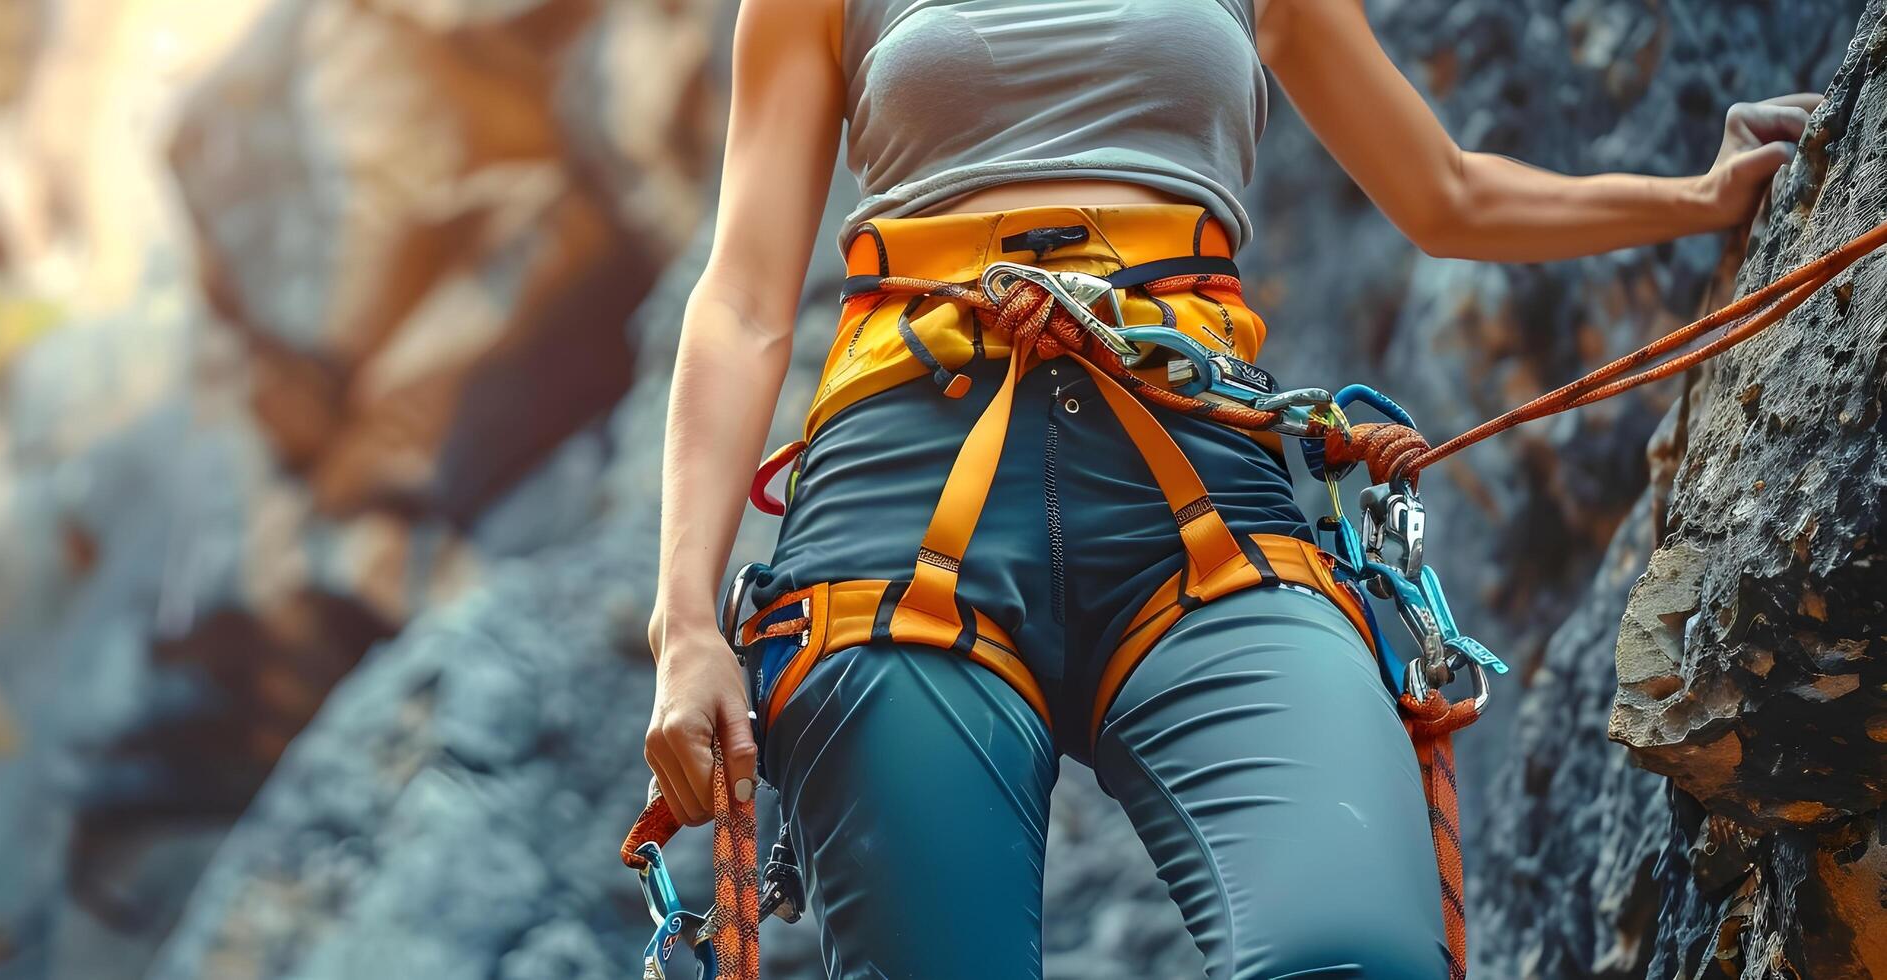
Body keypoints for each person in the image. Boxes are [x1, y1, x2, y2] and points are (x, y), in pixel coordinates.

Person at [640, 0, 1816, 976]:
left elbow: (1444, 192)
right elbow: (740, 298)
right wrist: (681, 621)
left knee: (1358, 952)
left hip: (1198, 483)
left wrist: (1698, 194)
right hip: (900, 498)